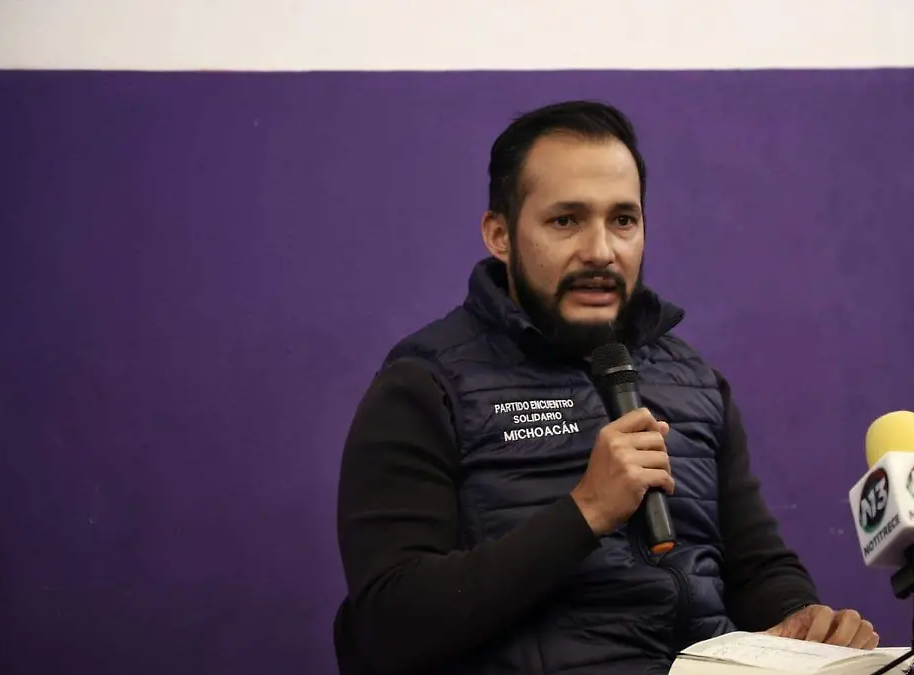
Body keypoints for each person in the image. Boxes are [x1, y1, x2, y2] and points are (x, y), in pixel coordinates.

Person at [332, 100, 879, 675]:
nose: (600, 251)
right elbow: (388, 625)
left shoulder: (694, 381)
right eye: (566, 221)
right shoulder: (424, 385)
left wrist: (802, 621)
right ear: (499, 234)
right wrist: (586, 511)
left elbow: (758, 568)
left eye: (622, 221)